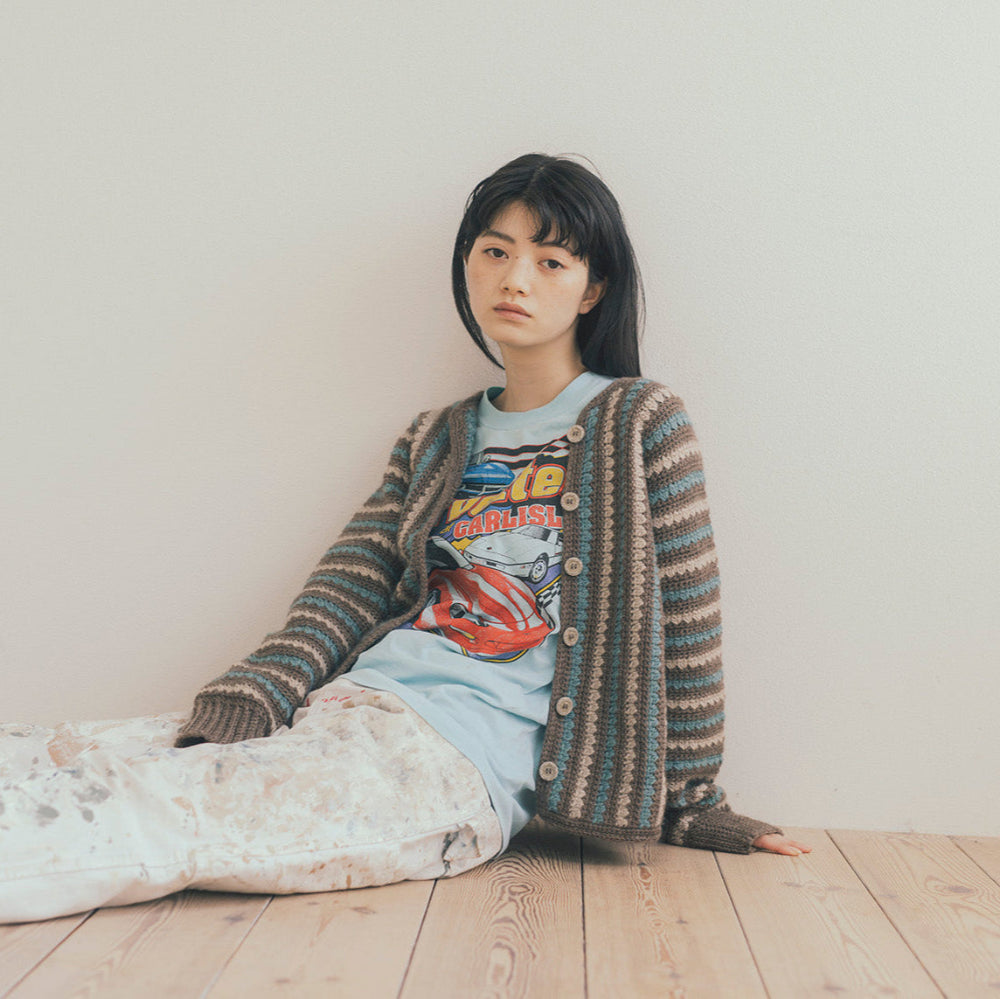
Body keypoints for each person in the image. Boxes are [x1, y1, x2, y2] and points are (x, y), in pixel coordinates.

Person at [0, 153, 810, 925]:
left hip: (450, 768)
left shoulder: (639, 422)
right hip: (344, 710)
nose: (514, 278)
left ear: (594, 287)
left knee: (154, 808)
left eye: (551, 261)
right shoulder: (435, 438)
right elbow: (347, 586)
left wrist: (693, 800)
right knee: (55, 751)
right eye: (494, 251)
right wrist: (263, 691)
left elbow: (688, 620)